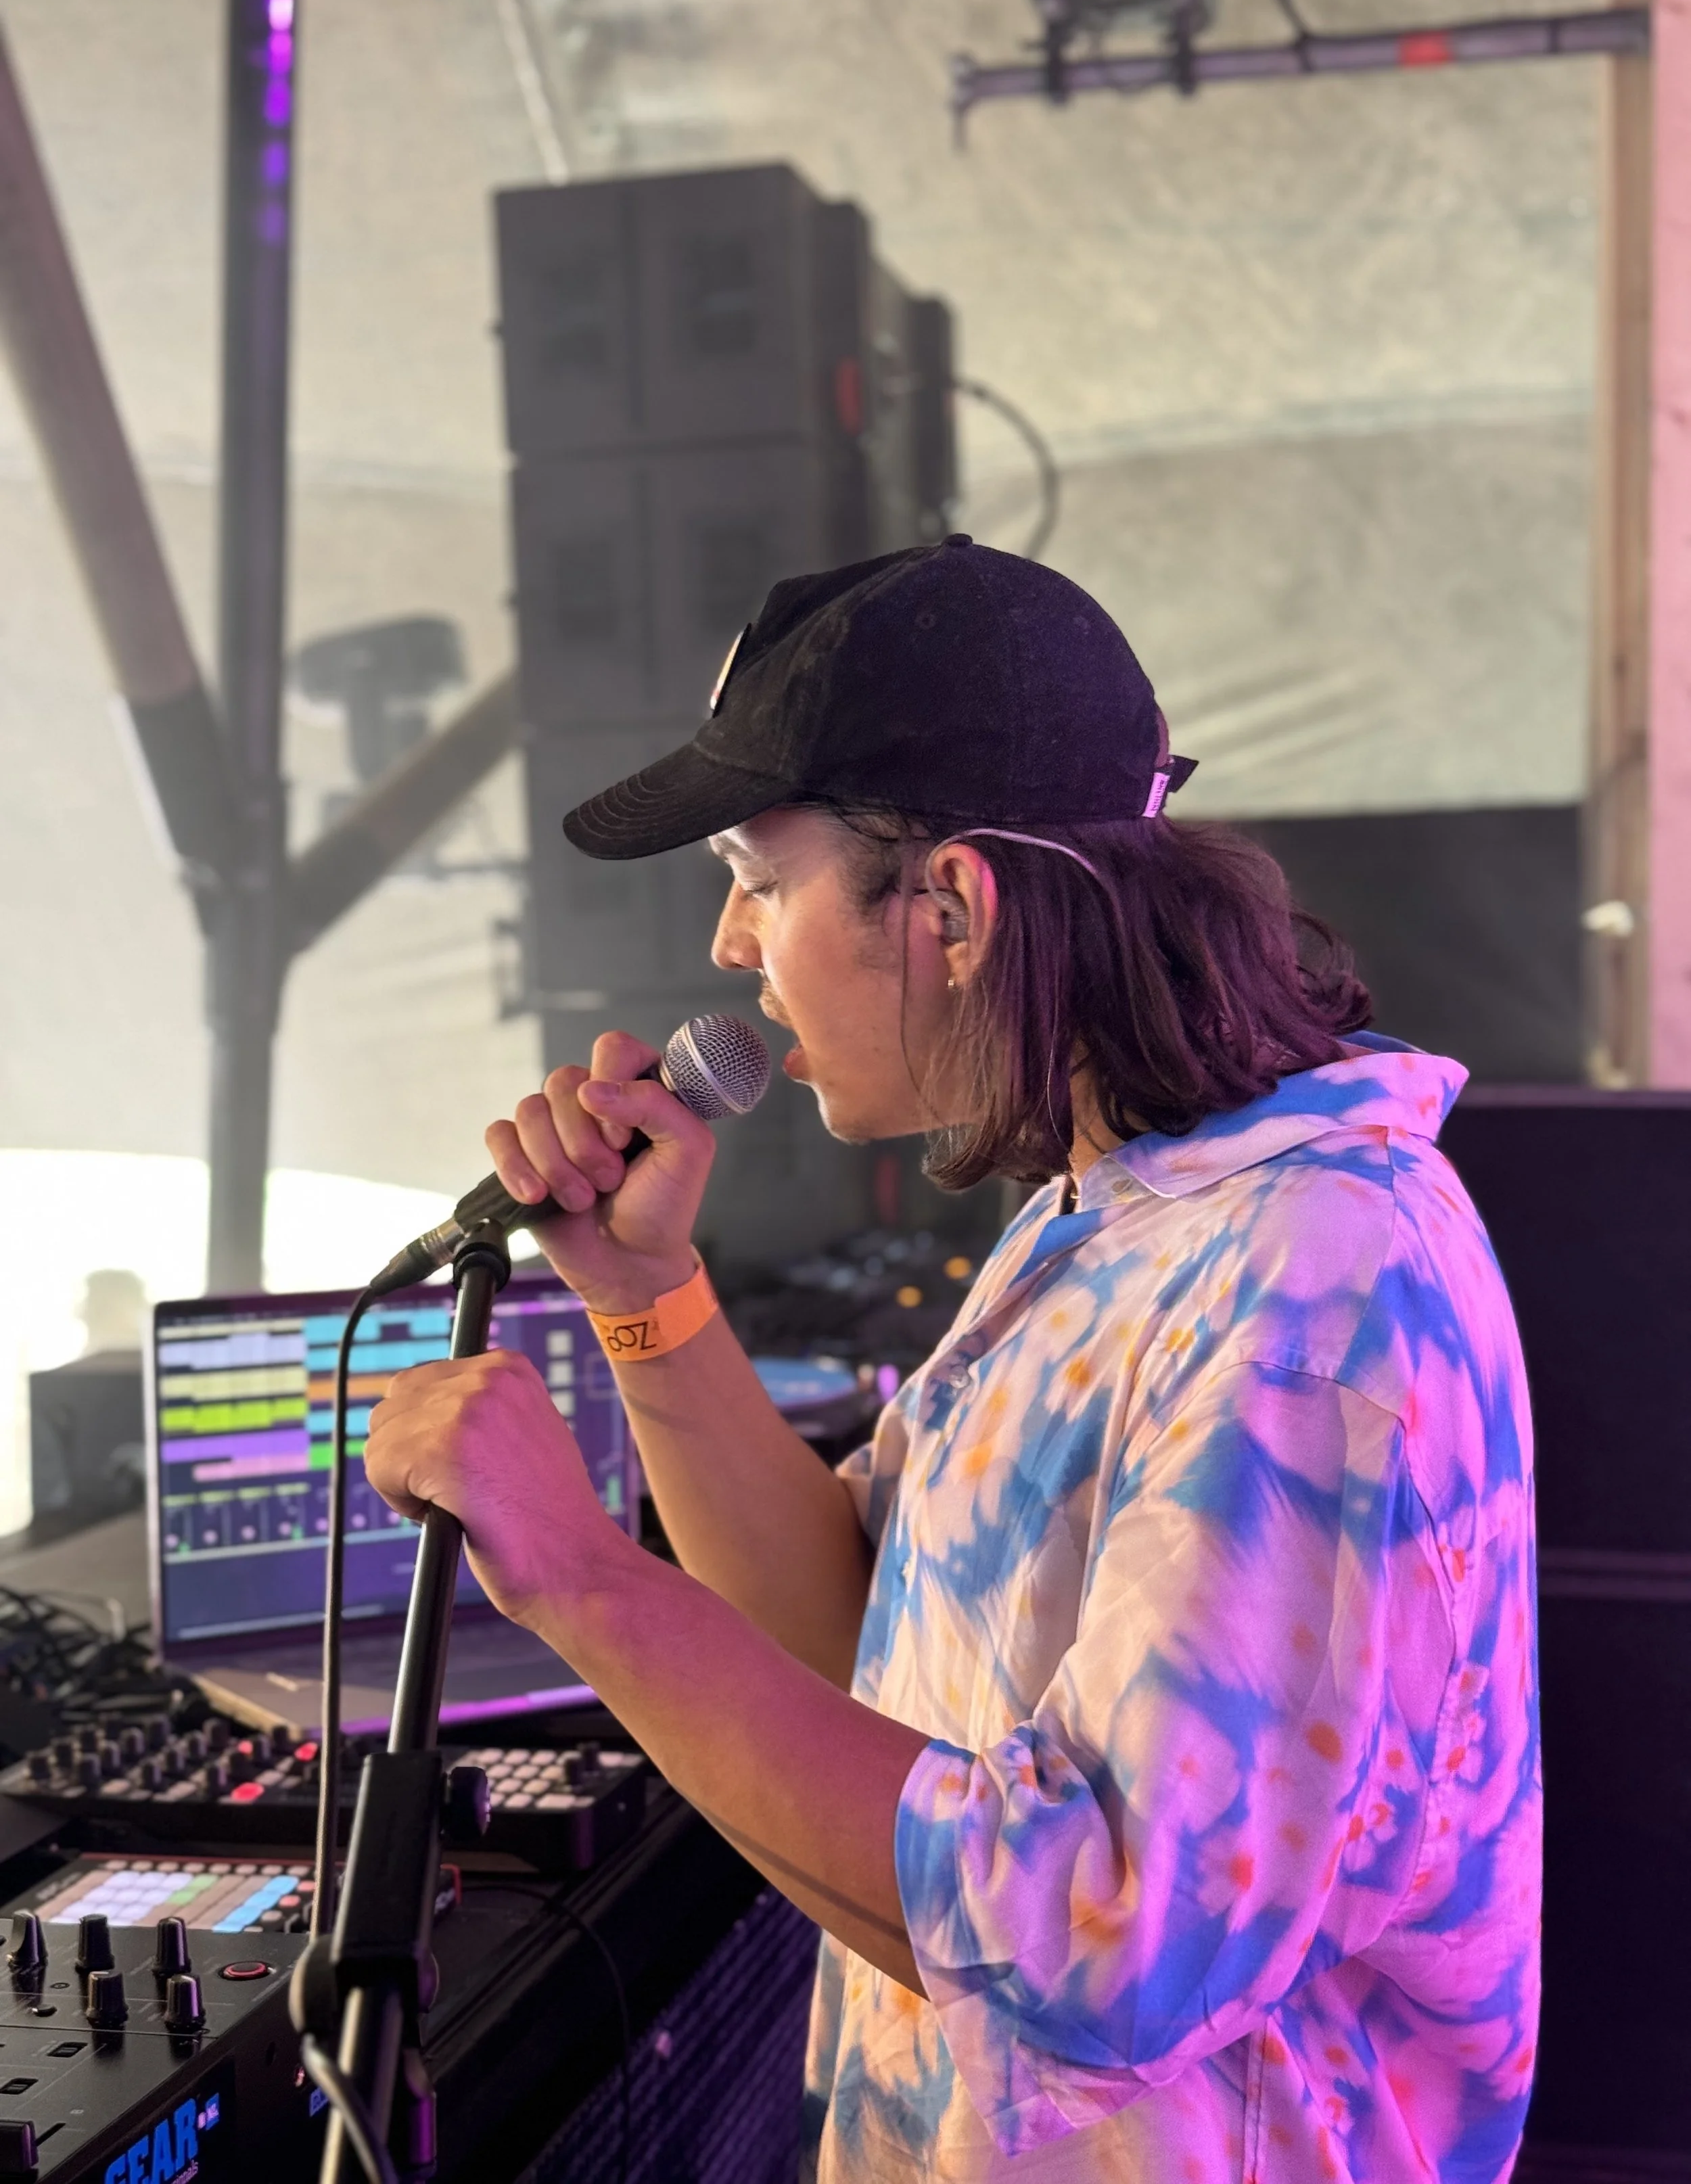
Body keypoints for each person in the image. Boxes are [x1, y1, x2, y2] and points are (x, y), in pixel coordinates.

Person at [364, 538, 1541, 2183]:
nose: (729, 943)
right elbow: (862, 1633)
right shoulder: (1108, 1212)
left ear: (953, 908)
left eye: (757, 877)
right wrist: (644, 1299)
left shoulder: (1313, 1286)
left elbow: (1097, 1950)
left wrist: (578, 1574)